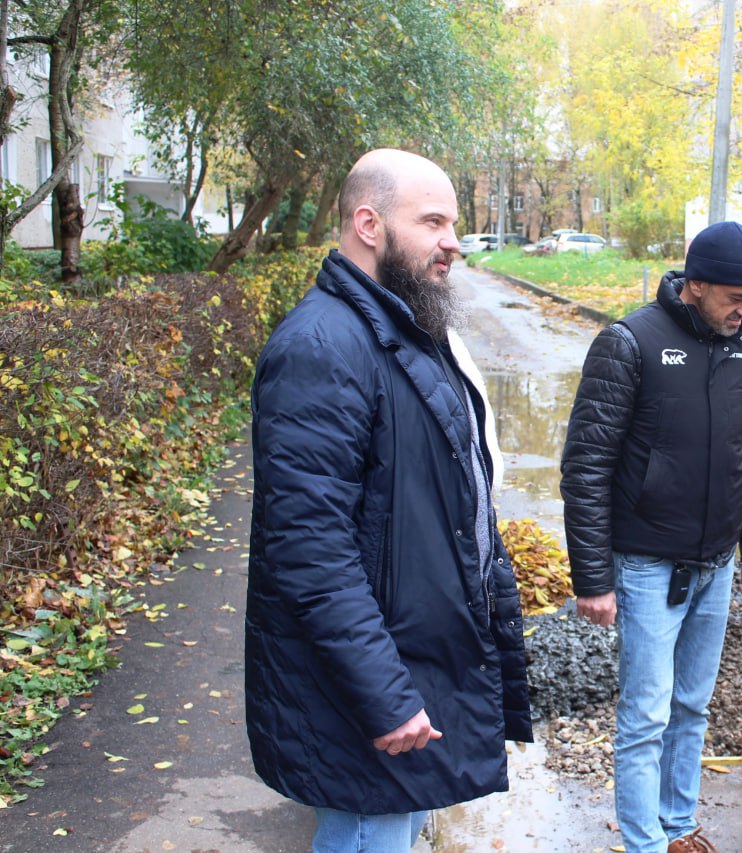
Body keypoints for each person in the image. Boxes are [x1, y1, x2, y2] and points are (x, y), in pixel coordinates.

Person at [244, 149, 533, 852]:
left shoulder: (400, 329)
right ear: (369, 224)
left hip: (406, 661)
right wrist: (385, 695)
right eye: (432, 222)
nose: (453, 242)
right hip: (365, 686)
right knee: (365, 830)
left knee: (391, 829)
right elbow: (311, 551)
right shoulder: (322, 347)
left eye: (453, 223)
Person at [560, 220, 742, 853]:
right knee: (646, 715)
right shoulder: (629, 343)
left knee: (692, 708)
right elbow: (586, 466)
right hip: (647, 565)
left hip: (715, 563)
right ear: (696, 284)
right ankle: (644, 842)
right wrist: (593, 579)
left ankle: (678, 826)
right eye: (736, 299)